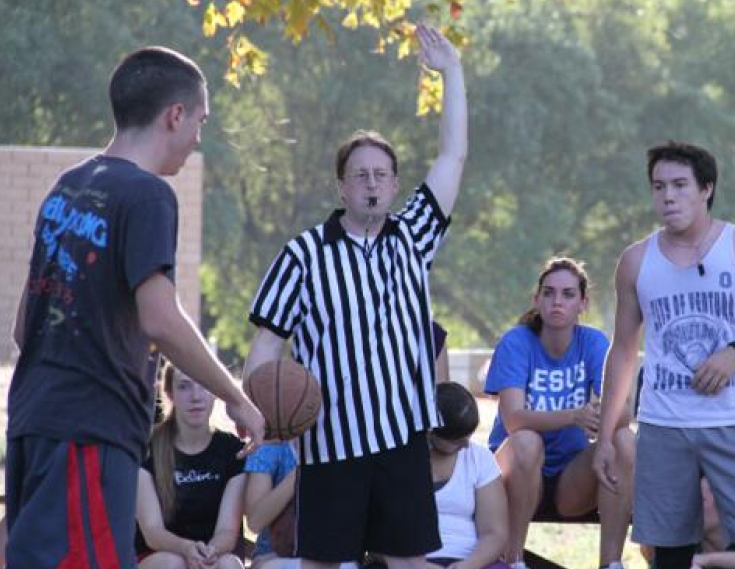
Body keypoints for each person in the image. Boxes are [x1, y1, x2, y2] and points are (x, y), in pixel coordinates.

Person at [5, 46, 263, 569]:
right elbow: (160, 318)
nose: (197, 138)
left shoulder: (68, 187)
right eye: (200, 121)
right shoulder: (147, 196)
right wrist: (234, 397)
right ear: (175, 115)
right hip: (90, 429)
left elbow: (21, 326)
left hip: (33, 416)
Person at [244, 23, 466, 569]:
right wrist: (256, 409)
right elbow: (268, 342)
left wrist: (453, 74)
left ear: (394, 185)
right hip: (329, 441)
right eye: (359, 174)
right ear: (341, 186)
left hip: (401, 436)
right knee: (323, 563)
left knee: (408, 561)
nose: (371, 183)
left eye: (382, 174)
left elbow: (452, 158)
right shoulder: (303, 253)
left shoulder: (415, 235)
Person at [594, 141, 735, 569]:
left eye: (679, 185)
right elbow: (622, 351)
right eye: (658, 187)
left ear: (706, 188)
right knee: (668, 557)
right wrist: (604, 437)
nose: (668, 196)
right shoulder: (635, 261)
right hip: (663, 424)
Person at [485, 257, 635, 569]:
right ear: (536, 299)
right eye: (549, 293)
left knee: (623, 441)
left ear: (583, 302)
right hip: (513, 476)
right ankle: (513, 561)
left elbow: (622, 411)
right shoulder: (516, 342)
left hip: (571, 479)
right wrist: (574, 416)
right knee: (527, 441)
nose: (557, 301)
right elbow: (514, 419)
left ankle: (611, 563)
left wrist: (602, 421)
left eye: (568, 294)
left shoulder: (593, 342)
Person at [135, 364, 247, 569]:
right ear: (169, 393)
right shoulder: (147, 448)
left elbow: (228, 532)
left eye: (204, 386)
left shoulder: (233, 450)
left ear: (216, 393)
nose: (196, 397)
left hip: (216, 552)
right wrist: (186, 549)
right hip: (160, 555)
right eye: (184, 387)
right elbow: (152, 532)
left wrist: (207, 554)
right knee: (173, 563)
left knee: (228, 565)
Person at [427, 381, 508, 569]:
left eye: (469, 436)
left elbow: (494, 533)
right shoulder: (400, 462)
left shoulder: (480, 459)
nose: (465, 446)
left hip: (470, 559)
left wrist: (469, 565)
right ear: (431, 433)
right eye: (457, 441)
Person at [243, 441, 300, 569]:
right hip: (271, 553)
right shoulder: (271, 445)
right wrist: (300, 471)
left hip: (325, 554)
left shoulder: (340, 444)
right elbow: (255, 522)